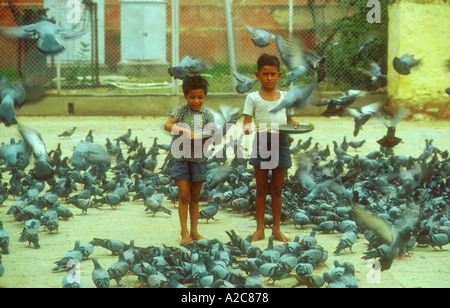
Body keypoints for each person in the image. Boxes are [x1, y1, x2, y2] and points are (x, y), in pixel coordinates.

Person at [242, 54, 300, 242]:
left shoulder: (285, 97)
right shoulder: (252, 98)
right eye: (265, 74)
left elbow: (289, 119)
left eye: (272, 74)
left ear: (279, 75)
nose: (269, 78)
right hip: (261, 143)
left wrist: (294, 123)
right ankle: (260, 229)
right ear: (258, 75)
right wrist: (247, 128)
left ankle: (276, 228)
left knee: (277, 188)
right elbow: (247, 122)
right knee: (260, 187)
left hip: (281, 142)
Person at [164, 75, 215, 245]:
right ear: (185, 96)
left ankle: (194, 230)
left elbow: (211, 135)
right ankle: (184, 231)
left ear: (205, 96)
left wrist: (207, 139)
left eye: (200, 97)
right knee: (184, 195)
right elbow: (168, 125)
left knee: (195, 196)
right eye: (192, 97)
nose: (196, 101)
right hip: (182, 157)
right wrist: (184, 131)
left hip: (199, 159)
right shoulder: (180, 111)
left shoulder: (207, 115)